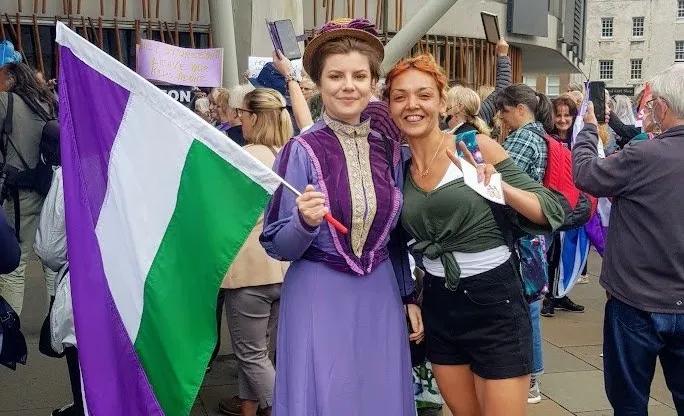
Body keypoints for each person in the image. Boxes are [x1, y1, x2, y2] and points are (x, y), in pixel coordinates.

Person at [384, 53, 563, 416]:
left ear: (441, 100)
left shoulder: (476, 147)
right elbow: (392, 242)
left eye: (423, 95)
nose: (412, 105)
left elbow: (550, 209)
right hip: (438, 303)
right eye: (400, 96)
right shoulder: (397, 167)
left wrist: (498, 188)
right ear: (389, 105)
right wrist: (408, 297)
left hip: (494, 301)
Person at [260, 18, 420, 416]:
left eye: (359, 75)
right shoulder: (300, 149)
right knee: (325, 396)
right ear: (317, 83)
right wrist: (304, 223)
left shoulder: (390, 149)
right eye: (336, 75)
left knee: (377, 394)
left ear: (372, 84)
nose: (348, 85)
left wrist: (407, 294)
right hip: (317, 295)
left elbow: (395, 237)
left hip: (380, 293)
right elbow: (276, 244)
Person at [573, 64, 684, 416]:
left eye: (652, 106)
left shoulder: (644, 155)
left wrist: (588, 131)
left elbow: (586, 174)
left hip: (636, 300)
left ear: (663, 108)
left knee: (629, 399)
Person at [217, 88, 291, 416]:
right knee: (262, 354)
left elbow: (222, 214)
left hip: (248, 273)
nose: (240, 120)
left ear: (255, 118)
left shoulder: (244, 158)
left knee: (251, 356)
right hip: (283, 269)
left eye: (244, 114)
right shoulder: (289, 155)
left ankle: (290, 409)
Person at [495, 84, 586, 318]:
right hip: (535, 227)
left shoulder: (523, 138)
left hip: (521, 228)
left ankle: (531, 356)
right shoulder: (541, 135)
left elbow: (501, 182)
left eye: (504, 110)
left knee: (526, 310)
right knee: (532, 301)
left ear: (521, 109)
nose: (500, 116)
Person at [0, 62, 58, 316]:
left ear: (11, 81)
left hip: (18, 196)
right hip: (49, 193)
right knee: (51, 263)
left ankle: (9, 335)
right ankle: (57, 329)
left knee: (15, 265)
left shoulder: (5, 102)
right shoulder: (47, 104)